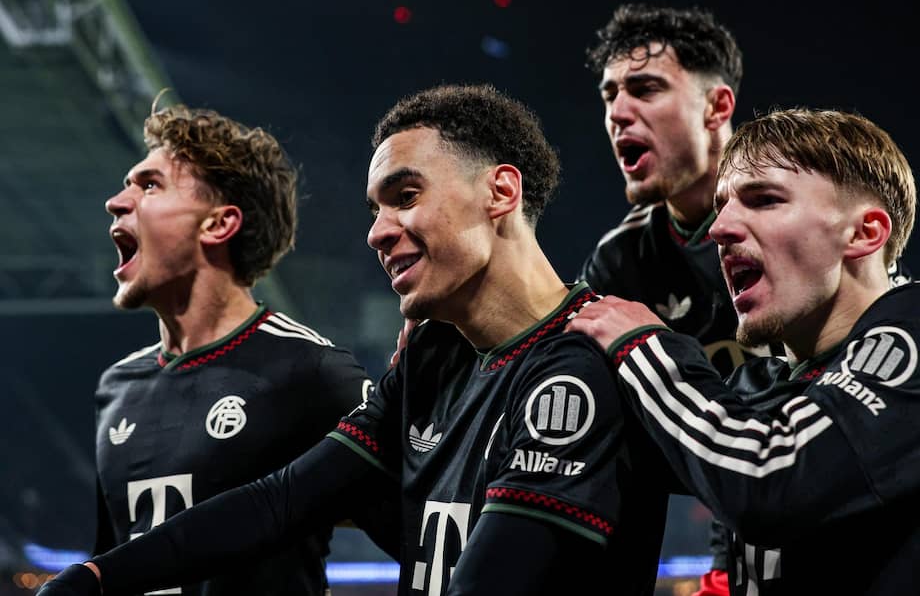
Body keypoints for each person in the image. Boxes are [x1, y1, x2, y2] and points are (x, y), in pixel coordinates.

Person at [39, 84, 669, 596]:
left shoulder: (580, 361)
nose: (377, 232)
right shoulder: (431, 358)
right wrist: (98, 577)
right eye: (375, 209)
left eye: (406, 196)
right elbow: (282, 501)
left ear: (500, 192)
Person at [578, 5, 911, 595]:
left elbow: (767, 477)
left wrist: (644, 346)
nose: (720, 229)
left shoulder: (909, 337)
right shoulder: (764, 378)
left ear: (864, 234)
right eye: (727, 205)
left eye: (763, 200)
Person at [91, 102, 380, 596]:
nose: (117, 202)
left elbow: (426, 521)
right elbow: (109, 563)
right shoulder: (115, 387)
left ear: (219, 224)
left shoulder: (309, 371)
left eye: (150, 185)